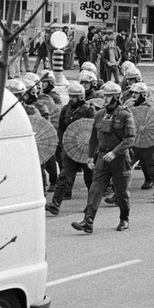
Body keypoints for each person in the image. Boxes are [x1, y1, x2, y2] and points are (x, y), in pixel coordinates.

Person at [71, 82, 135, 234]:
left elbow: (130, 138)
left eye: (109, 96)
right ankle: (88, 221)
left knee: (121, 191)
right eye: (104, 96)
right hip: (102, 158)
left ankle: (124, 219)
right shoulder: (99, 114)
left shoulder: (125, 114)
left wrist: (114, 152)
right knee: (95, 189)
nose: (105, 99)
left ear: (117, 97)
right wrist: (90, 156)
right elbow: (94, 137)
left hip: (119, 159)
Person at [45, 82, 95, 215]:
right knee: (64, 176)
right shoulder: (65, 109)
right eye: (70, 96)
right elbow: (61, 127)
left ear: (81, 97)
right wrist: (63, 142)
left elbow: (93, 128)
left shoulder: (88, 110)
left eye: (74, 97)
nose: (71, 99)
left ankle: (91, 205)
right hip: (70, 148)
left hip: (86, 150)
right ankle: (55, 203)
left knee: (90, 178)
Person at [124, 82, 154, 204]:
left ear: (143, 94)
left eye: (137, 93)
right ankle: (119, 195)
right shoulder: (128, 105)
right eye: (133, 93)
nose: (134, 95)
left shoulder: (151, 107)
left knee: (153, 170)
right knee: (124, 168)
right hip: (133, 143)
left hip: (148, 144)